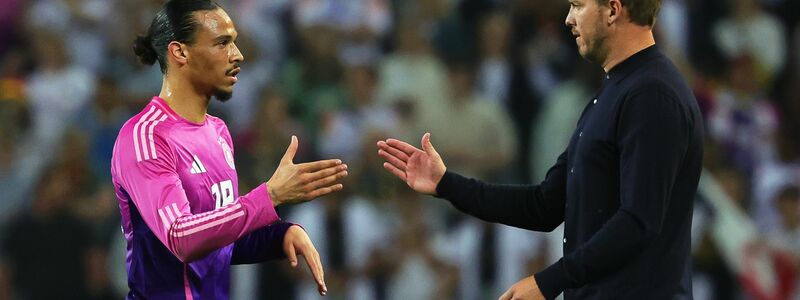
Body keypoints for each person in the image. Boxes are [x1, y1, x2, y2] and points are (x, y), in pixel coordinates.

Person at [377, 0, 703, 298]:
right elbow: (545, 204)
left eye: (577, 5)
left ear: (613, 10)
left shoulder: (653, 95)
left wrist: (549, 282)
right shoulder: (613, 92)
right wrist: (447, 184)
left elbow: (638, 221)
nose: (568, 19)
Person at [111, 1, 349, 298]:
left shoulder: (219, 133)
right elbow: (181, 238)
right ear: (180, 52)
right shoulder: (145, 136)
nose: (238, 55)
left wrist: (280, 235)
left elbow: (220, 237)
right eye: (222, 43)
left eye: (234, 42)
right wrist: (269, 195)